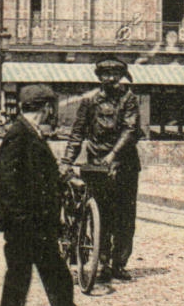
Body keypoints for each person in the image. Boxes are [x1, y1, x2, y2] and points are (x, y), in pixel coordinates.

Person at [0, 84, 110, 306]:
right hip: (26, 227)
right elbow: (5, 181)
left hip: (31, 225)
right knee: (41, 281)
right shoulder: (19, 135)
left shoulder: (27, 132)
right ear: (45, 108)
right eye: (50, 109)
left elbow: (35, 177)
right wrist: (24, 220)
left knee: (38, 281)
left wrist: (62, 180)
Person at [60, 57, 143, 288]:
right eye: (105, 74)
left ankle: (119, 264)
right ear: (99, 77)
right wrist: (67, 160)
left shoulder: (129, 99)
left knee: (125, 216)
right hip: (96, 164)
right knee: (101, 214)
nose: (110, 78)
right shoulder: (89, 102)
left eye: (114, 74)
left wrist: (113, 156)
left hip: (124, 164)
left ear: (120, 76)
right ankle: (102, 261)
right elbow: (77, 134)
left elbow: (130, 129)